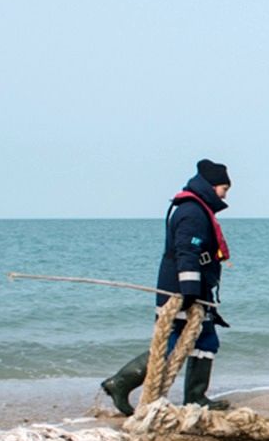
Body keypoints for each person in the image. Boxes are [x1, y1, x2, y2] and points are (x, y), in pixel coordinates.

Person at [101, 159, 236, 414]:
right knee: (171, 343)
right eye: (224, 188)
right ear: (211, 186)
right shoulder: (192, 212)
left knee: (206, 340)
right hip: (182, 290)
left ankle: (196, 397)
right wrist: (189, 291)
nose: (225, 194)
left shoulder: (196, 208)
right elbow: (187, 251)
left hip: (197, 289)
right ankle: (120, 383)